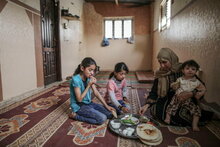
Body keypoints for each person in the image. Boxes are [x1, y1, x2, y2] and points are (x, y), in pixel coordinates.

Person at [139, 48, 207, 127]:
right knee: (155, 110)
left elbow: (200, 86)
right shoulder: (160, 73)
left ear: (172, 59)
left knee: (183, 114)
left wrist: (191, 93)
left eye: (164, 62)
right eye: (160, 62)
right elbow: (154, 92)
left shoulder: (184, 69)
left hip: (186, 100)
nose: (162, 65)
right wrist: (147, 105)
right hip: (169, 100)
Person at [69, 57, 115, 125]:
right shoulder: (75, 80)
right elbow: (79, 99)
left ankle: (93, 110)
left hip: (89, 103)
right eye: (90, 70)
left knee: (110, 114)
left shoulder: (88, 78)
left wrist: (106, 106)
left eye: (93, 70)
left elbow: (96, 93)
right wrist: (88, 85)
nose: (92, 73)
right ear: (82, 68)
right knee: (102, 119)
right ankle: (76, 116)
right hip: (79, 106)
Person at [164, 60, 206, 131]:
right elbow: (175, 86)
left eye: (193, 69)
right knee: (171, 106)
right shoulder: (180, 79)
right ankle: (168, 118)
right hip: (177, 98)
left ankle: (194, 125)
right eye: (187, 69)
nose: (190, 71)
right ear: (183, 70)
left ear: (196, 71)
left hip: (188, 100)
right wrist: (174, 86)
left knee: (196, 110)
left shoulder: (196, 82)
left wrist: (198, 94)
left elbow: (203, 89)